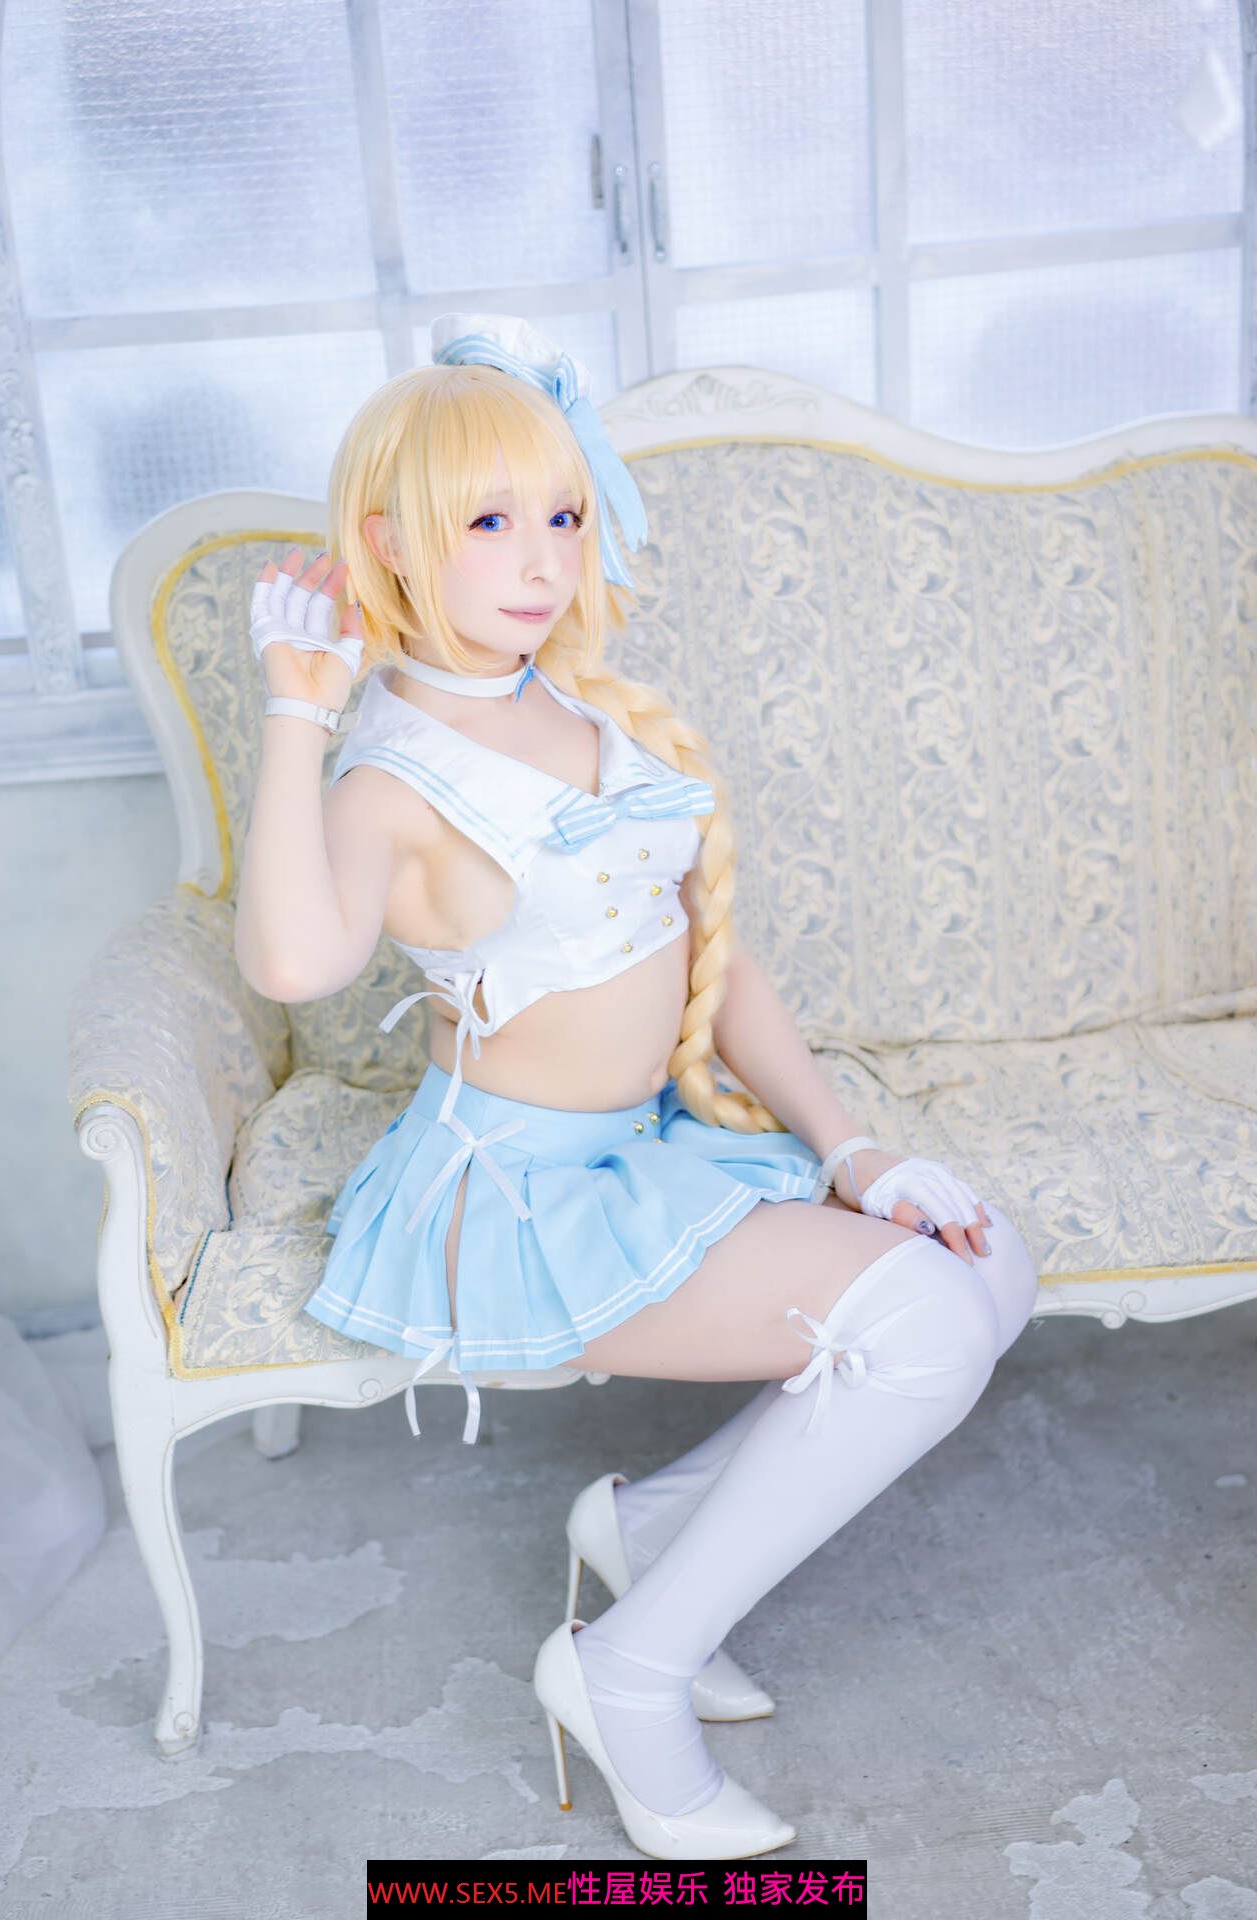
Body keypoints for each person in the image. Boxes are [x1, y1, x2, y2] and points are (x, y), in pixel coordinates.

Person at [234, 311, 1042, 1862]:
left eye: (562, 515)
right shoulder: (392, 770)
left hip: (637, 1150)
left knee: (986, 1260)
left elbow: (708, 956)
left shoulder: (575, 705)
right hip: (514, 1196)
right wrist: (292, 708)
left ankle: (649, 1528)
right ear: (390, 542)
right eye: (489, 523)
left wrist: (854, 1149)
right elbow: (292, 962)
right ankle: (630, 1670)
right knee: (925, 1325)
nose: (541, 560)